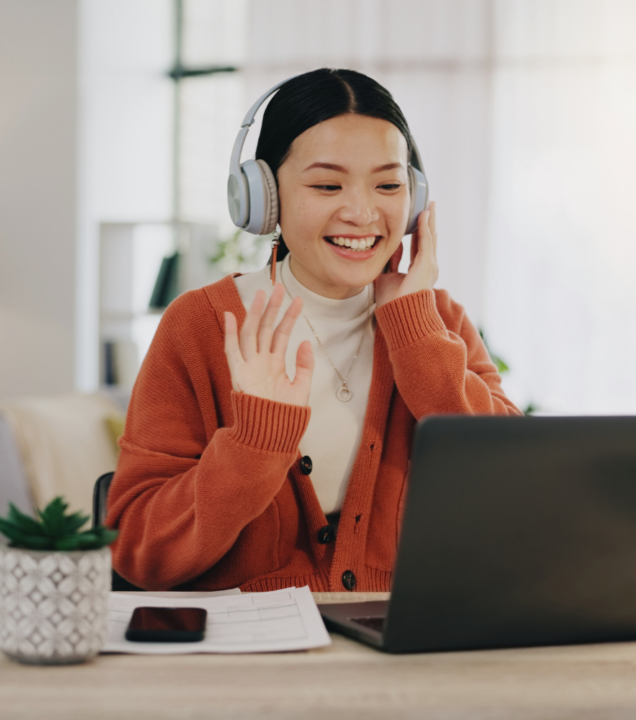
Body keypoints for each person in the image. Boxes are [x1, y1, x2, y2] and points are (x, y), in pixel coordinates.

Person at [106, 68, 521, 592]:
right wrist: (255, 440)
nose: (363, 212)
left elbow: (514, 489)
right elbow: (141, 552)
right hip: (252, 652)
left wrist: (415, 334)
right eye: (327, 185)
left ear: (413, 199)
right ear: (264, 197)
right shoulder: (201, 327)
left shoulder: (437, 324)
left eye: (389, 184)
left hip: (404, 643)